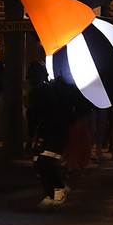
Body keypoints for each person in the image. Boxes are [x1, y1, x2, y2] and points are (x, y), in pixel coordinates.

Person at [28, 64, 87, 209]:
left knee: (45, 162)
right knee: (39, 165)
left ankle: (59, 189)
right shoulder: (36, 94)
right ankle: (50, 194)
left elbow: (54, 115)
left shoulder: (51, 92)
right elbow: (33, 119)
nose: (32, 79)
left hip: (56, 132)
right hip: (44, 132)